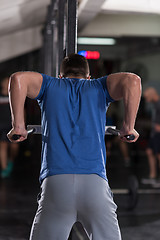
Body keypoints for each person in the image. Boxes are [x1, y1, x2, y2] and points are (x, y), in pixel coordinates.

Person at [7, 54, 141, 240]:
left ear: (60, 76)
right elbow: (133, 80)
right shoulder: (98, 87)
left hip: (56, 184)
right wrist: (128, 126)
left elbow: (17, 79)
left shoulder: (49, 85)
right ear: (88, 76)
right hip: (95, 185)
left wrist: (19, 126)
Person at [0, 75, 19, 178]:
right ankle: (4, 168)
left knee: (14, 147)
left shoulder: (15, 95)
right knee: (3, 146)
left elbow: (21, 111)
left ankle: (10, 161)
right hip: (1, 125)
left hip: (13, 125)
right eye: (6, 82)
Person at [142, 87, 160, 187]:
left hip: (158, 134)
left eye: (147, 97)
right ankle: (152, 176)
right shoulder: (154, 104)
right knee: (149, 151)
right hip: (154, 134)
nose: (146, 99)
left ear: (152, 95)